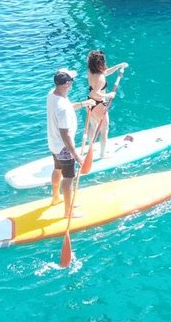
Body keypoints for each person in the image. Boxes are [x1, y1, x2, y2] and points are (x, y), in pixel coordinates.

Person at [47, 69, 96, 214]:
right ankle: (68, 212)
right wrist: (76, 154)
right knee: (68, 178)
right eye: (71, 81)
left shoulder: (52, 95)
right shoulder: (63, 108)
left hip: (53, 143)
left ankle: (55, 197)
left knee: (57, 169)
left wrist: (83, 103)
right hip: (64, 147)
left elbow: (68, 107)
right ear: (67, 84)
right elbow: (65, 134)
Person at [84, 50, 128, 159]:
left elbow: (105, 72)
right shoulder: (100, 77)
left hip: (90, 102)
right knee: (104, 129)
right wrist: (108, 95)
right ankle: (102, 154)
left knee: (93, 126)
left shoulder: (91, 72)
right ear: (100, 63)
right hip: (98, 104)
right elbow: (96, 92)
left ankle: (90, 147)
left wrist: (118, 66)